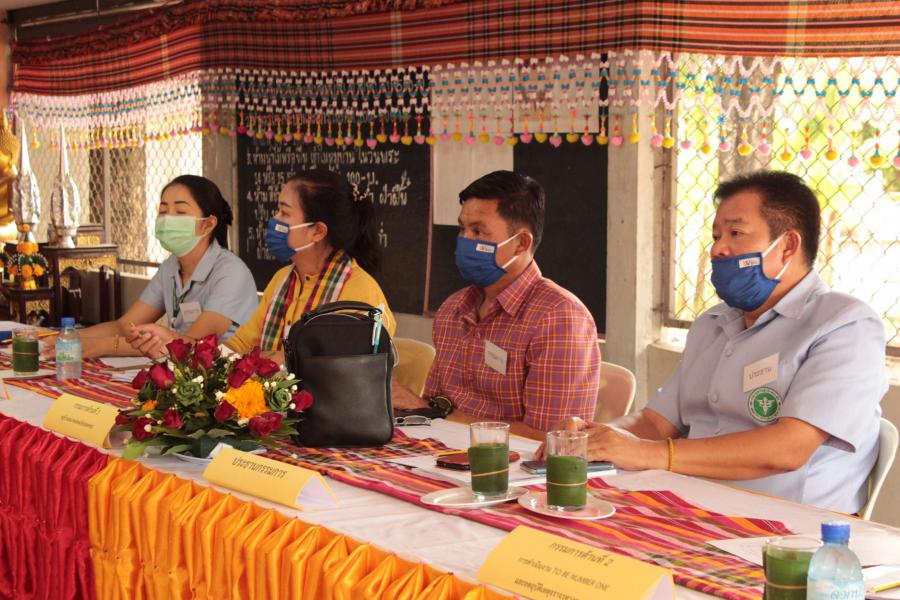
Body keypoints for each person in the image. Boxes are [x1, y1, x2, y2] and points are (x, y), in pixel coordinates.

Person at [543, 171, 885, 514]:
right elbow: (656, 422)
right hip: (689, 507)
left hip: (791, 526)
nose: (718, 249)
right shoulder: (712, 323)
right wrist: (592, 437)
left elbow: (789, 449)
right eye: (717, 236)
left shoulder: (845, 326)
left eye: (736, 233)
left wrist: (647, 453)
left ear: (788, 246)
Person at [393, 171, 600, 440]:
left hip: (512, 463)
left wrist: (432, 413)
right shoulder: (453, 309)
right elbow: (436, 404)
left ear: (521, 243)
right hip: (440, 451)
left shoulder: (559, 318)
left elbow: (552, 438)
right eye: (462, 229)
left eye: (478, 231)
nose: (464, 240)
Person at [67, 175, 258, 359]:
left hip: (225, 374)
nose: (168, 219)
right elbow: (124, 326)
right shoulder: (170, 267)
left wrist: (100, 346)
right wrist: (67, 338)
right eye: (163, 211)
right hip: (181, 368)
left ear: (207, 225)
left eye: (180, 212)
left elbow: (191, 344)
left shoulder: (232, 273)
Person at [223, 169, 395, 357]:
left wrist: (273, 360)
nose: (274, 220)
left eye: (284, 212)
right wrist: (215, 357)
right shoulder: (282, 279)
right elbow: (243, 343)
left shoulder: (359, 290)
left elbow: (344, 366)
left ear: (318, 231)